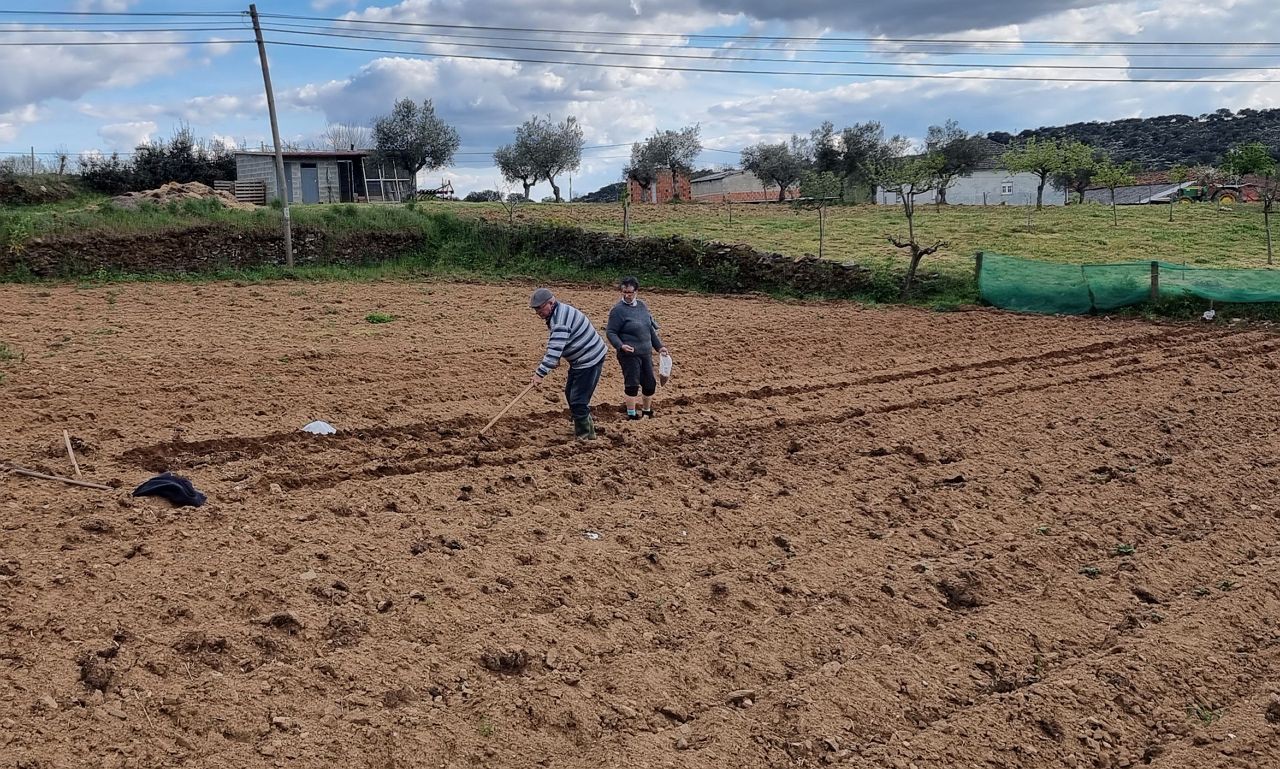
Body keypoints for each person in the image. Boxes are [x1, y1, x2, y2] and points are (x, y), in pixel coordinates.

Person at [528, 287, 608, 441]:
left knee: (578, 400)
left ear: (551, 303)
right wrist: (557, 357)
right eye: (535, 309)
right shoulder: (557, 312)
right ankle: (584, 426)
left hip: (589, 359)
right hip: (583, 358)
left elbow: (552, 352)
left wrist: (539, 374)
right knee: (570, 393)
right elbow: (559, 344)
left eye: (540, 308)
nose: (538, 312)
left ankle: (586, 436)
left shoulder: (560, 321)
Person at [605, 276, 668, 420]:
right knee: (632, 384)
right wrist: (621, 346)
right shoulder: (617, 311)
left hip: (645, 353)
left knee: (649, 384)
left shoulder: (642, 306)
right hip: (629, 354)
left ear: (636, 292)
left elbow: (650, 330)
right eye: (624, 292)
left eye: (630, 292)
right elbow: (611, 332)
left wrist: (660, 347)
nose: (627, 295)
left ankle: (647, 411)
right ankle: (631, 414)